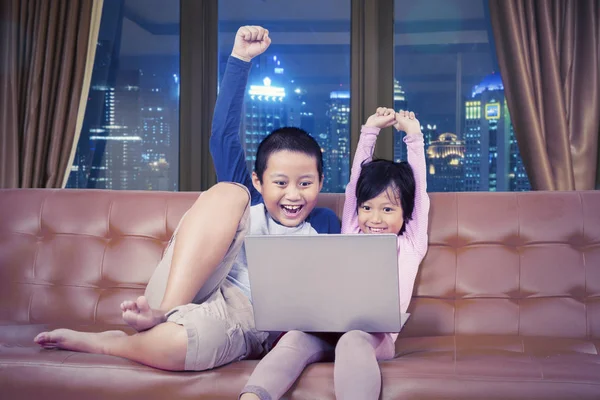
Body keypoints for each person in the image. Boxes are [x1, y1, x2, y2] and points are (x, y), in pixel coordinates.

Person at [33, 25, 340, 372]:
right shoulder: (248, 195)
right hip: (186, 291)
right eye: (281, 182)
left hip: (240, 318)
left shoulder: (326, 223)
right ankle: (165, 313)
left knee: (177, 346)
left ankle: (116, 344)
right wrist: (240, 60)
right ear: (260, 180)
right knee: (228, 192)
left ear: (321, 182)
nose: (293, 195)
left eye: (306, 183)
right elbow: (222, 136)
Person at [240, 107, 430, 400]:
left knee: (353, 341)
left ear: (406, 213)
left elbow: (420, 194)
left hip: (373, 338)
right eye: (367, 208)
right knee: (293, 338)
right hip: (328, 329)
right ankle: (252, 397)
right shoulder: (352, 230)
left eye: (388, 209)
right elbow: (355, 185)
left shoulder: (410, 244)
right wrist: (369, 130)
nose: (375, 218)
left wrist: (413, 137)